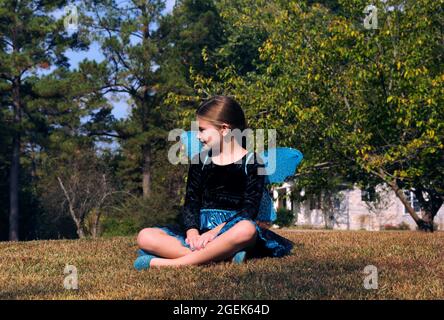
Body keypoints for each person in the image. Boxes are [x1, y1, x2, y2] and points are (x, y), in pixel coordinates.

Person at [134, 95, 294, 270]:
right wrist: (192, 232)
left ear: (224, 129)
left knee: (247, 229)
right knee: (145, 235)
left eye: (202, 130)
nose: (198, 136)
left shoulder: (252, 163)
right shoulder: (200, 161)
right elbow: (191, 201)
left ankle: (177, 262)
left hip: (232, 229)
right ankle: (222, 256)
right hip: (200, 230)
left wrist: (215, 233)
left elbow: (249, 210)